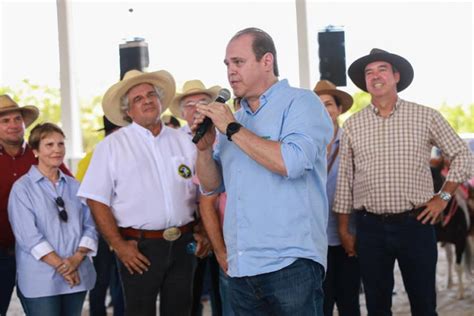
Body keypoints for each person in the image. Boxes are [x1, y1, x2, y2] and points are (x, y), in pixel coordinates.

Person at [193, 27, 333, 315]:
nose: (231, 72)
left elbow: (290, 163)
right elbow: (211, 185)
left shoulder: (302, 102)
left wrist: (232, 129)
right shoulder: (237, 119)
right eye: (227, 65)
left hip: (290, 264)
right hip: (240, 265)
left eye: (238, 62)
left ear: (266, 61)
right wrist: (204, 150)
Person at [334, 48, 474, 315]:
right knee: (376, 307)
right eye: (369, 72)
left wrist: (442, 198)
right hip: (370, 227)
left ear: (396, 76)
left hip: (416, 224)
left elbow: (463, 156)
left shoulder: (426, 116)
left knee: (423, 305)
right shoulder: (352, 125)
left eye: (382, 69)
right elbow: (344, 180)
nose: (375, 76)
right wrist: (344, 229)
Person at [77, 69, 210, 316]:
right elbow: (96, 200)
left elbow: (203, 190)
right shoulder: (111, 146)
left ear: (160, 101)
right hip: (138, 248)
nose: (147, 100)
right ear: (128, 111)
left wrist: (203, 231)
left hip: (184, 244)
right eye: (138, 98)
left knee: (182, 310)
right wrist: (117, 244)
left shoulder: (184, 141)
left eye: (151, 94)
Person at [8, 122, 97, 316]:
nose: (57, 150)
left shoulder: (75, 186)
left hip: (78, 271)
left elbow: (90, 226)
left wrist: (75, 260)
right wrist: (64, 267)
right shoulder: (22, 188)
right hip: (41, 278)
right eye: (49, 145)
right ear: (35, 151)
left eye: (61, 144)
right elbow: (28, 236)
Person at [0, 95, 72, 316]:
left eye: (17, 118)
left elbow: (71, 192)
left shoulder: (42, 154)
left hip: (40, 254)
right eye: (5, 120)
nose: (13, 125)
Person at [170, 80, 222, 316]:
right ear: (181, 113)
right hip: (191, 228)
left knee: (223, 290)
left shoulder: (222, 133)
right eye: (189, 104)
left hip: (224, 224)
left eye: (202, 102)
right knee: (189, 292)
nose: (196, 109)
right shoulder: (171, 141)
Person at [313, 80, 360, 316]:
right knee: (321, 304)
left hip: (347, 236)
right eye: (318, 105)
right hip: (313, 239)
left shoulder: (354, 142)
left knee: (349, 301)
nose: (324, 109)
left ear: (339, 109)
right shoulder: (306, 145)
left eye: (329, 104)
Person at [76, 115, 124, 316]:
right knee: (101, 279)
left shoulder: (127, 153)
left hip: (125, 227)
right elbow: (83, 196)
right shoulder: (94, 156)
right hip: (101, 227)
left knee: (120, 280)